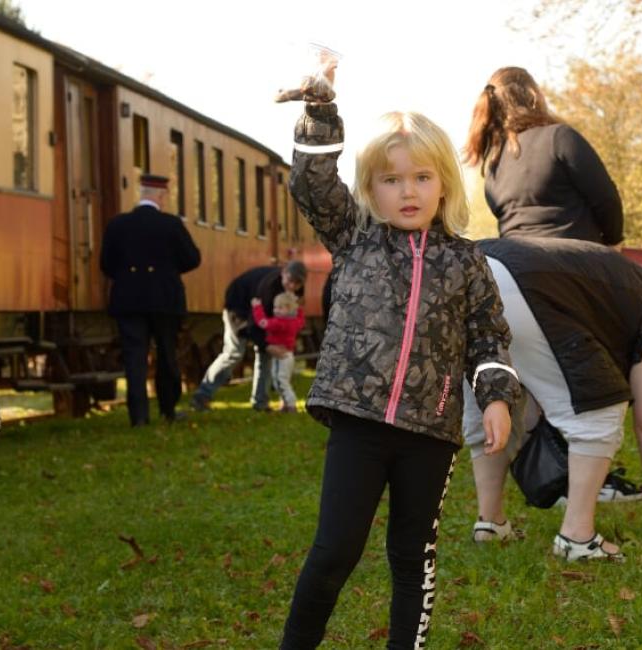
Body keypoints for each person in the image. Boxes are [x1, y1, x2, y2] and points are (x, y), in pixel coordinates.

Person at [278, 101, 521, 650]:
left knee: (413, 557)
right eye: (391, 179)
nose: (407, 191)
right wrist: (320, 109)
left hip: (429, 433)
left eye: (421, 177)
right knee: (335, 549)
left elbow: (488, 338)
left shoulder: (466, 262)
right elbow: (311, 181)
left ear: (443, 185)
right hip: (358, 425)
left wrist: (496, 398)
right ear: (371, 187)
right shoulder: (354, 237)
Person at [460, 237, 642, 560]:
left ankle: (490, 523)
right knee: (602, 405)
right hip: (521, 286)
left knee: (497, 402)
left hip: (470, 268)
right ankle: (577, 536)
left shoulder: (610, 281)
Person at [463, 66, 624, 245]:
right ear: (533, 95)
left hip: (515, 262)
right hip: (573, 256)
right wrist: (612, 240)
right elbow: (606, 198)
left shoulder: (494, 162)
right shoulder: (560, 137)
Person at [99, 174, 201, 426]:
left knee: (135, 357)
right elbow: (192, 258)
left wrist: (126, 277)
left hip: (128, 300)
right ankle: (168, 409)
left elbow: (106, 264)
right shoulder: (171, 224)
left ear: (141, 194)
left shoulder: (118, 224)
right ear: (161, 196)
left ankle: (139, 416)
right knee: (167, 354)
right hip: (165, 300)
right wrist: (168, 271)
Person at [190, 260, 306, 412]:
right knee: (234, 353)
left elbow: (292, 316)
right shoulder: (268, 287)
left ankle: (260, 402)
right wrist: (268, 345)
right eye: (290, 281)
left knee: (265, 355)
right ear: (283, 273)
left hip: (261, 316)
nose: (292, 286)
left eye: (297, 284)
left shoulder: (296, 291)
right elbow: (254, 324)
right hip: (238, 308)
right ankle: (202, 396)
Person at [253, 291, 306, 413]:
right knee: (283, 380)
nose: (276, 310)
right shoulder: (295, 322)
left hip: (280, 356)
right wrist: (300, 309)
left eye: (280, 308)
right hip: (289, 355)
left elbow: (263, 323)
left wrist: (257, 307)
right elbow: (301, 321)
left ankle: (291, 404)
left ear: (289, 309)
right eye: (275, 307)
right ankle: (285, 404)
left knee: (279, 381)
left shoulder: (279, 322)